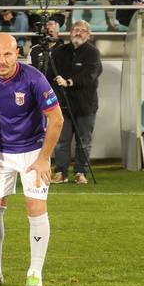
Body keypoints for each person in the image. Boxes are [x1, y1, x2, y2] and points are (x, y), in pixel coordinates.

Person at [0, 33, 63, 286]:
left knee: (36, 210)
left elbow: (57, 120)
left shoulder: (34, 78)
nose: (2, 60)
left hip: (32, 153)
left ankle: (35, 273)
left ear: (17, 53)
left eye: (7, 54)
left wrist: (44, 158)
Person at [48, 20, 101, 184]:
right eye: (75, 29)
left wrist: (69, 82)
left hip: (86, 106)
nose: (78, 32)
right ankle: (61, 173)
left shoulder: (93, 53)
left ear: (88, 34)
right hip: (63, 105)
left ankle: (80, 172)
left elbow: (90, 75)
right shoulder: (59, 51)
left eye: (82, 30)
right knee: (61, 141)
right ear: (70, 32)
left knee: (84, 142)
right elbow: (50, 74)